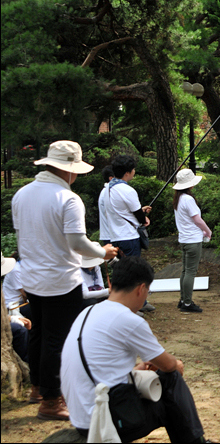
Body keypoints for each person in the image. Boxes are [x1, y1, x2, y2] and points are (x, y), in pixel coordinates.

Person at [12, 140, 118, 420]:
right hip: (61, 279)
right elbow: (77, 243)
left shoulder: (22, 194)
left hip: (32, 277)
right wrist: (103, 252)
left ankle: (37, 387)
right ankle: (51, 401)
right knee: (58, 340)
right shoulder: (68, 199)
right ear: (69, 170)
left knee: (40, 333)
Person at [60, 256, 207, 443]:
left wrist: (133, 371)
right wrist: (176, 364)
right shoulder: (129, 319)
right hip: (106, 422)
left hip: (82, 419)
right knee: (172, 380)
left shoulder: (87, 313)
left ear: (111, 284)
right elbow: (170, 366)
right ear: (141, 289)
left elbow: (95, 366)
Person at [173, 169, 212, 313]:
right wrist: (208, 231)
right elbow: (197, 219)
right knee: (190, 271)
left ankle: (183, 299)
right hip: (192, 240)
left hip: (184, 239)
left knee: (185, 270)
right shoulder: (188, 199)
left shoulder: (178, 198)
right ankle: (187, 303)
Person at [106, 155, 152, 259]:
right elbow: (139, 215)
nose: (134, 171)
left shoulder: (106, 189)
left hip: (114, 237)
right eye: (133, 169)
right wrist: (144, 219)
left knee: (122, 270)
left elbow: (119, 209)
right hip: (129, 237)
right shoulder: (127, 190)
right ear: (127, 172)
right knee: (133, 270)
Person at [3, 253, 31, 364]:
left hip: (13, 309)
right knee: (19, 330)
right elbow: (26, 294)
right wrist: (13, 319)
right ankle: (26, 361)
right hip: (12, 306)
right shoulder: (15, 270)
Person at [97, 166, 114, 246]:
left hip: (109, 234)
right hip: (111, 235)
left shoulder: (106, 191)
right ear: (111, 178)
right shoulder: (108, 192)